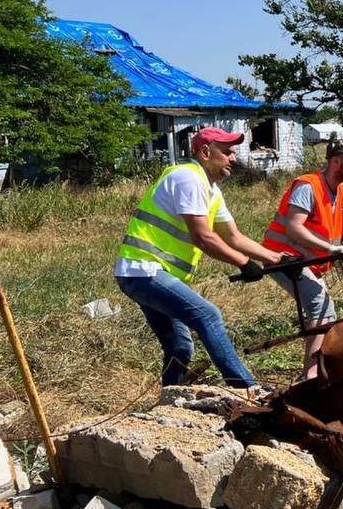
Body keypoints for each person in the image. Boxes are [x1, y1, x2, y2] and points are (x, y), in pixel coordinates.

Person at [114, 127, 282, 392]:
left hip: (149, 274)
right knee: (208, 315)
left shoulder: (211, 190)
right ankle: (248, 390)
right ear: (205, 152)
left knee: (179, 346)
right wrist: (244, 263)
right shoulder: (188, 178)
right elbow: (203, 237)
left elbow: (234, 237)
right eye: (227, 152)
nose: (233, 158)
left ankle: (168, 403)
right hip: (143, 270)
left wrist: (276, 258)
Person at [262, 138, 343, 379]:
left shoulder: (341, 191)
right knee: (321, 308)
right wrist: (330, 248)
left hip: (306, 260)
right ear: (335, 160)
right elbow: (293, 228)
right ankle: (311, 376)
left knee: (326, 313)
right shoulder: (308, 186)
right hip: (282, 257)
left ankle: (314, 372)